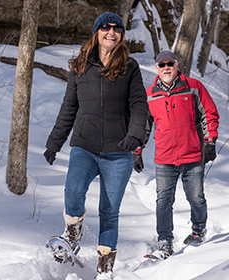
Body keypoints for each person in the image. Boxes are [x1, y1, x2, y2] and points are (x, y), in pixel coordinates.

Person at [43, 12, 148, 277]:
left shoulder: (130, 66)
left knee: (109, 210)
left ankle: (105, 263)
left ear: (122, 35)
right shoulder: (80, 66)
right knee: (73, 190)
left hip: (119, 149)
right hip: (85, 146)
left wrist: (135, 136)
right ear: (96, 32)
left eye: (117, 28)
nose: (111, 32)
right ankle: (73, 231)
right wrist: (54, 143)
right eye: (105, 27)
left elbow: (139, 105)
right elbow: (69, 108)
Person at [134, 50, 219, 259]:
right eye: (161, 65)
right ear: (156, 68)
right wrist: (137, 151)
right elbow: (142, 127)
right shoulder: (150, 95)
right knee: (163, 201)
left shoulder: (193, 87)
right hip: (164, 158)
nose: (166, 68)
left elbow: (209, 113)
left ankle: (198, 231)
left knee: (196, 198)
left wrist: (210, 142)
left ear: (176, 65)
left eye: (169, 64)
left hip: (192, 155)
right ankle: (164, 241)